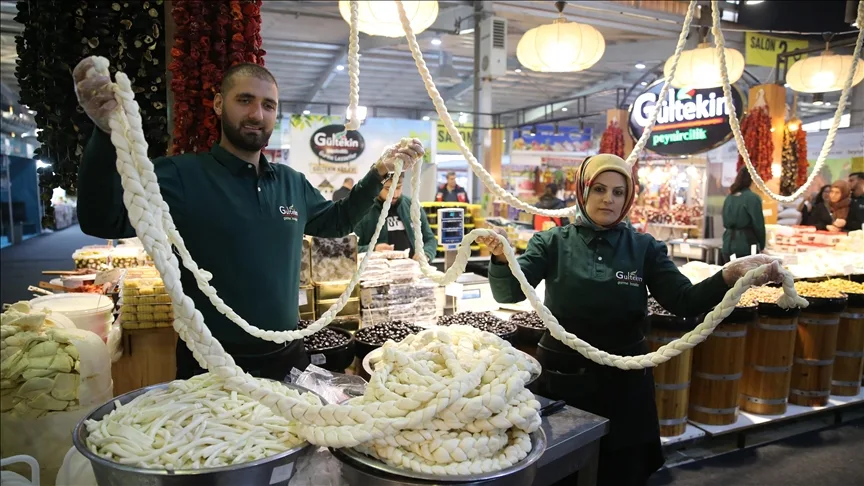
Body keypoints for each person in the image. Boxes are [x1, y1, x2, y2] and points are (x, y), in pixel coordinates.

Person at [73, 57, 424, 380]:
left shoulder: (291, 183)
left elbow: (337, 222)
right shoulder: (180, 175)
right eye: (245, 100)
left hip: (288, 356)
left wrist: (379, 172)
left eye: (268, 105)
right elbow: (103, 221)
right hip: (212, 364)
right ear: (218, 104)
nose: (257, 114)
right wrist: (104, 135)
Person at [476, 154, 781, 486]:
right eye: (599, 189)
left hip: (626, 382)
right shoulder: (552, 243)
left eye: (618, 192)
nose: (608, 199)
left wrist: (729, 275)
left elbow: (684, 300)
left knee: (622, 471)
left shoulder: (644, 248)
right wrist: (501, 257)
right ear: (582, 191)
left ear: (628, 198)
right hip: (564, 378)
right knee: (564, 469)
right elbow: (508, 293)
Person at [354, 174, 437, 261]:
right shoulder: (363, 211)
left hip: (412, 268)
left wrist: (426, 254)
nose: (394, 195)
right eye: (388, 189)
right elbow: (349, 249)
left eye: (398, 188)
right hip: (376, 268)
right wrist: (373, 249)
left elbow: (430, 239)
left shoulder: (412, 206)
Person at [721, 168, 766, 261]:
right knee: (747, 271)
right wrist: (762, 245)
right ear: (752, 180)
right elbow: (759, 225)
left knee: (730, 270)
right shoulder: (753, 198)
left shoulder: (729, 197)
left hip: (727, 245)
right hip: (746, 246)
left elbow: (724, 221)